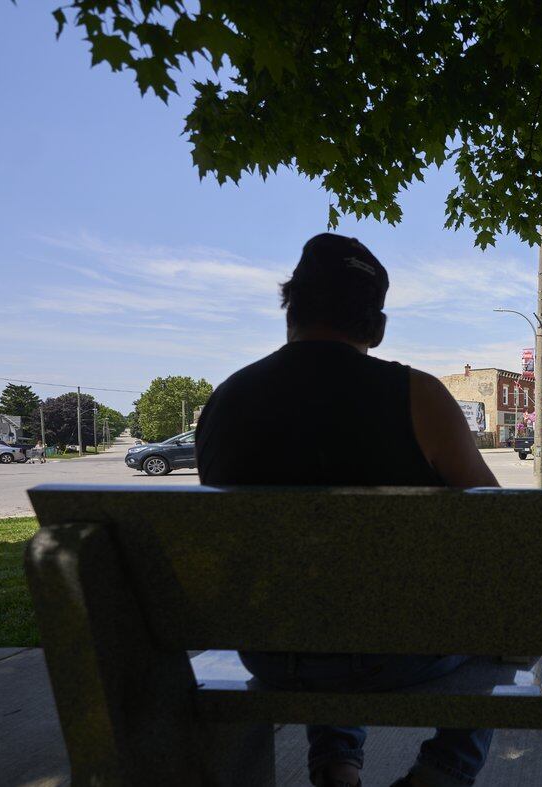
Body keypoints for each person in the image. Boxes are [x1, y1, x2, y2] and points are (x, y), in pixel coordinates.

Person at [196, 233, 499, 787]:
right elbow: (497, 523)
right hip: (400, 653)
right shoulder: (420, 397)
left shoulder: (225, 400)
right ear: (376, 328)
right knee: (495, 620)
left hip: (268, 651)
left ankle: (337, 765)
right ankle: (444, 770)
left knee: (309, 586)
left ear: (290, 307)